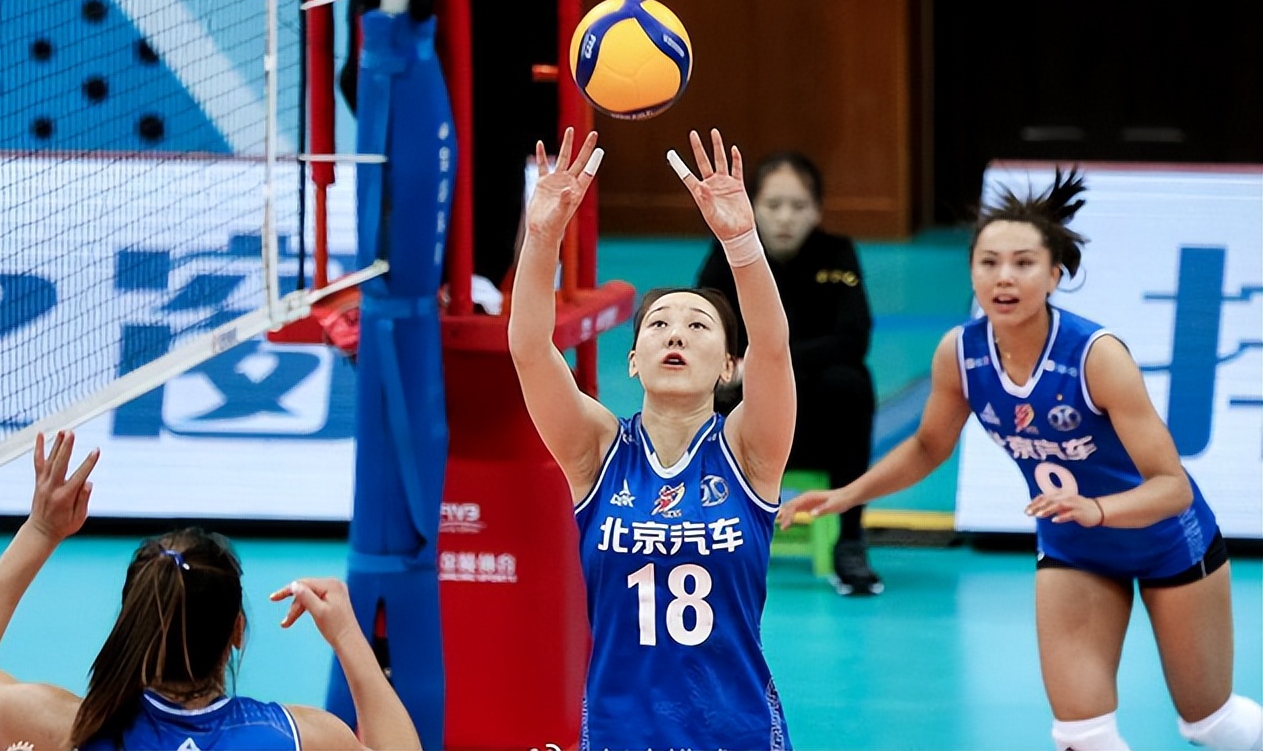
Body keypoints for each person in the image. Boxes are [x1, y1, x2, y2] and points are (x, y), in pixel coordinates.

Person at [778, 169, 1263, 751]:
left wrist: (1097, 507)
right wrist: (846, 494)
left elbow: (1173, 487)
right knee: (1081, 735)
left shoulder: (1096, 356)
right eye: (988, 262)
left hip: (1168, 539)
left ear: (1055, 274)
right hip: (1074, 545)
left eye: (1023, 263)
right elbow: (929, 446)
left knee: (1210, 724)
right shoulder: (960, 353)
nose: (1003, 277)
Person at [509, 128, 794, 750]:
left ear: (727, 366)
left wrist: (742, 243)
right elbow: (530, 351)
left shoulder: (749, 451)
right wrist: (542, 236)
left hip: (736, 732)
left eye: (699, 326)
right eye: (659, 324)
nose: (676, 334)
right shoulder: (597, 449)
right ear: (633, 360)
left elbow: (773, 347)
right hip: (620, 733)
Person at [0, 431, 422, 751]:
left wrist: (40, 530)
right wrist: (347, 636)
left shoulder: (67, 729)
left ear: (133, 620)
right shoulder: (297, 736)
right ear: (237, 630)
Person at [696, 150, 881, 595]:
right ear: (753, 207)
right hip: (745, 419)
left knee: (851, 384)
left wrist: (765, 363)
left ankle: (849, 540)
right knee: (706, 385)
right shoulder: (727, 255)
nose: (784, 218)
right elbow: (703, 326)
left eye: (798, 207)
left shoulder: (837, 253)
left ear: (817, 211)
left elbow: (853, 340)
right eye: (773, 205)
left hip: (814, 420)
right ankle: (699, 532)